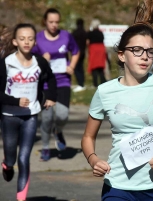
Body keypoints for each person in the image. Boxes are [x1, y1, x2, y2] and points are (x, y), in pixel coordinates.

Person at [81, 0, 153, 200]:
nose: (145, 57)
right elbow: (88, 137)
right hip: (116, 185)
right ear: (122, 55)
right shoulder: (104, 91)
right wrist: (93, 160)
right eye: (137, 50)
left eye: (150, 51)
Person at [0, 23, 56, 201]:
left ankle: (20, 199)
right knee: (12, 159)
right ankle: (7, 166)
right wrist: (15, 101)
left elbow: (51, 78)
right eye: (22, 38)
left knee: (24, 158)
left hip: (30, 115)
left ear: (35, 42)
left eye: (30, 39)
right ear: (15, 41)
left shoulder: (40, 62)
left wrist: (51, 96)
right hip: (9, 116)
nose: (26, 42)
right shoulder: (6, 63)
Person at [32, 8, 79, 161]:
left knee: (62, 115)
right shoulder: (38, 38)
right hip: (46, 83)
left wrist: (71, 66)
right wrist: (41, 58)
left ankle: (57, 130)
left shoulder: (66, 36)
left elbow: (76, 51)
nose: (54, 25)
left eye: (57, 22)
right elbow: (30, 58)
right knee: (46, 118)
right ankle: (45, 148)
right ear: (45, 21)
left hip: (63, 80)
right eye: (51, 22)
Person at [87, 19, 107, 87]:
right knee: (101, 67)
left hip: (93, 50)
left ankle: (95, 83)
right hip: (101, 50)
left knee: (94, 67)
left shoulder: (90, 33)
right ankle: (102, 82)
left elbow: (88, 42)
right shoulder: (101, 33)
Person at [72, 18, 87, 93]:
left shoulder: (75, 32)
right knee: (81, 68)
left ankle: (80, 83)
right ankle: (82, 83)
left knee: (76, 68)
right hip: (83, 52)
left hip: (76, 52)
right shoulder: (84, 32)